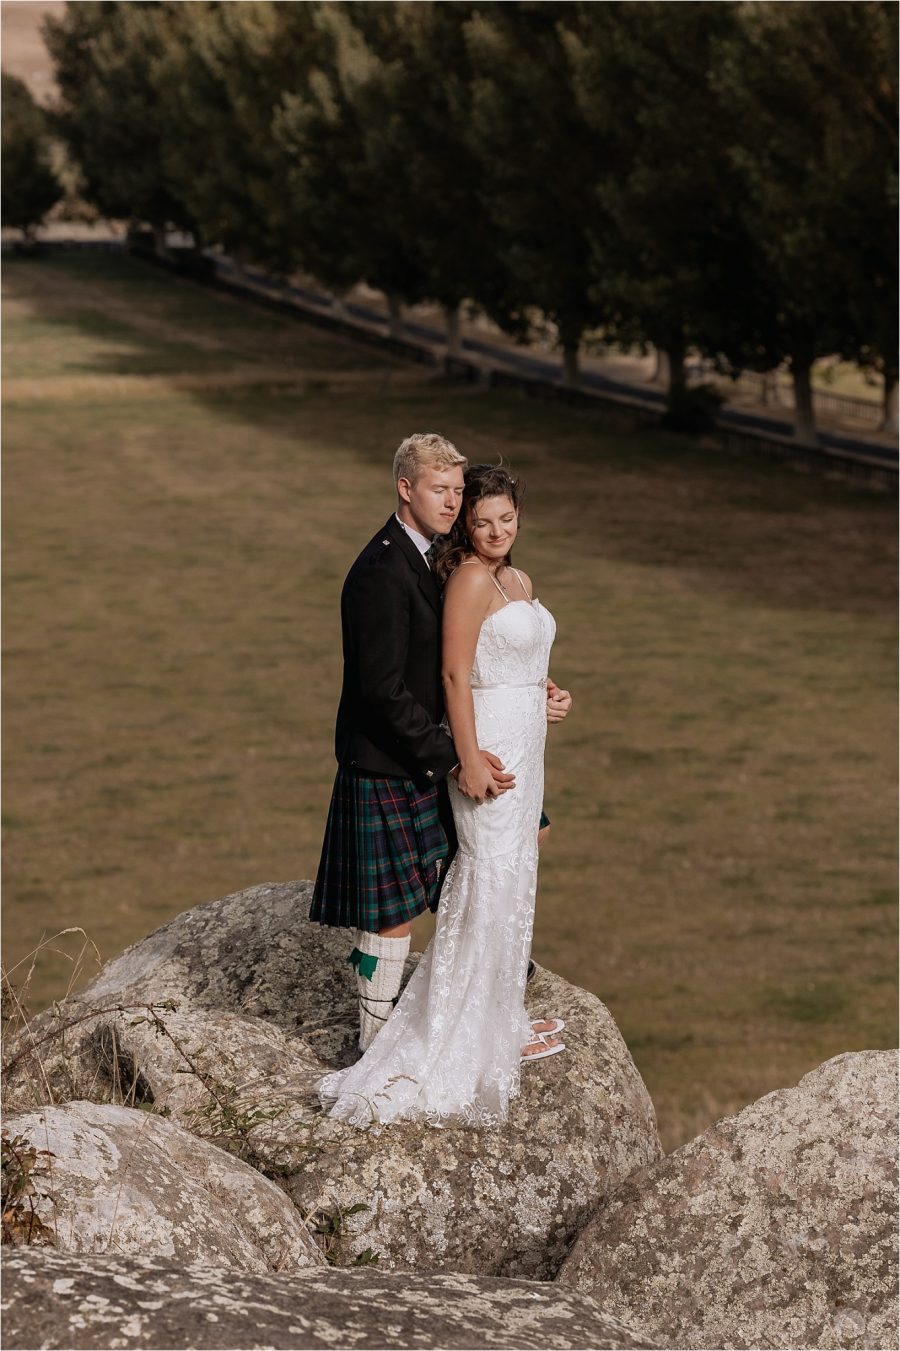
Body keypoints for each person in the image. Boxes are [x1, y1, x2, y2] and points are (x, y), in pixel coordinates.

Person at [317, 462, 570, 1128]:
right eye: (478, 518)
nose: (493, 528)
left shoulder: (517, 576)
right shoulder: (456, 576)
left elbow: (511, 656)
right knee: (483, 875)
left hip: (522, 743)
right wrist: (461, 758)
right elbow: (454, 674)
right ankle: (441, 1033)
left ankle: (499, 1015)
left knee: (515, 871)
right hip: (475, 750)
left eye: (504, 518)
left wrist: (547, 691)